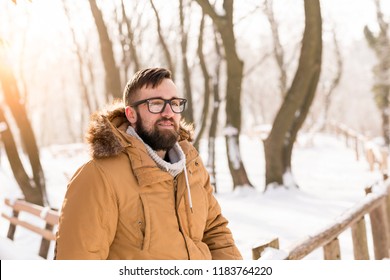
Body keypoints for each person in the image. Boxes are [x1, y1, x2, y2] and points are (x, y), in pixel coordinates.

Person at [54, 67, 242, 260]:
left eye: (175, 103)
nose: (169, 112)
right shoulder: (98, 176)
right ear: (131, 114)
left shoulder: (191, 167)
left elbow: (215, 231)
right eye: (156, 104)